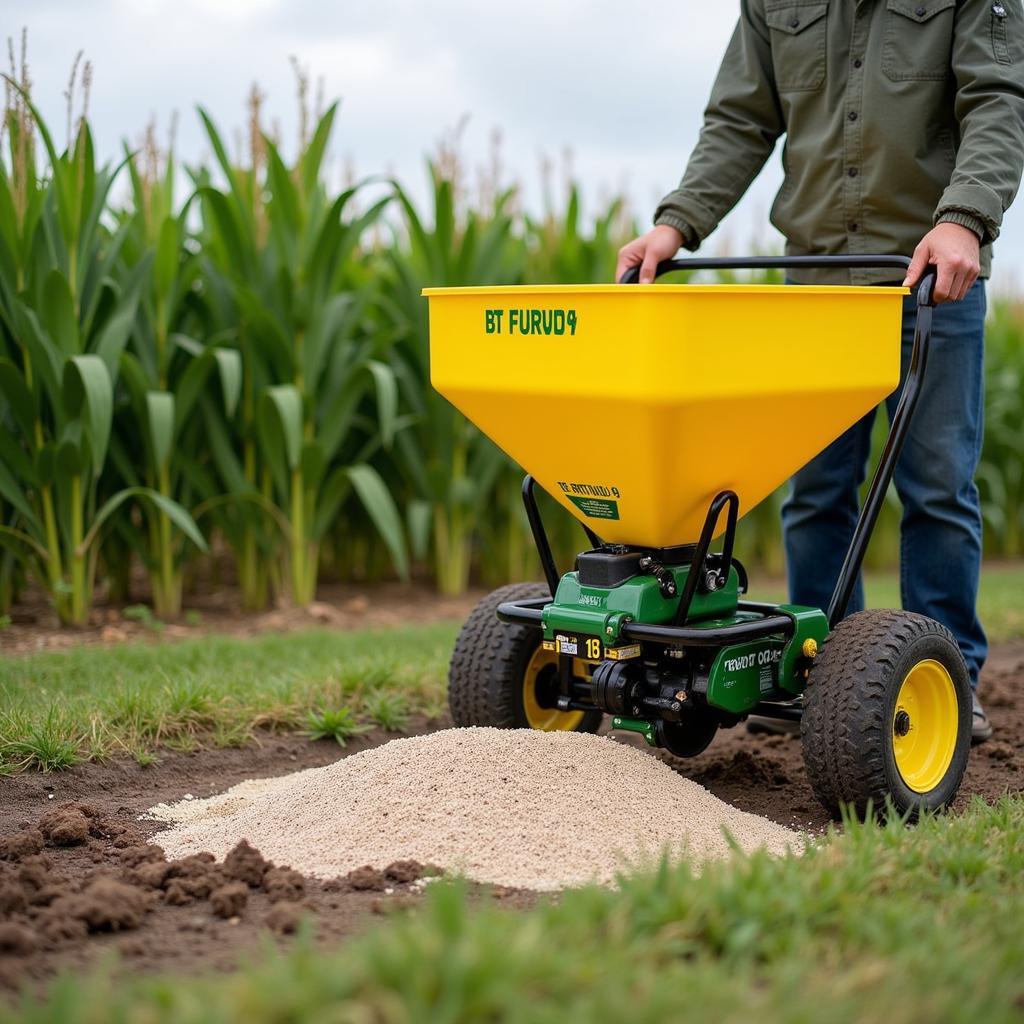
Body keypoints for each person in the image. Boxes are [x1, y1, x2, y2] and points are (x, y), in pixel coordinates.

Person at [616, 0, 1024, 742]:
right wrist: (679, 222)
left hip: (930, 277)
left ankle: (945, 677)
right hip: (815, 284)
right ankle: (821, 673)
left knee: (935, 486)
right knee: (815, 491)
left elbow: (998, 99)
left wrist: (965, 216)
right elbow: (740, 119)